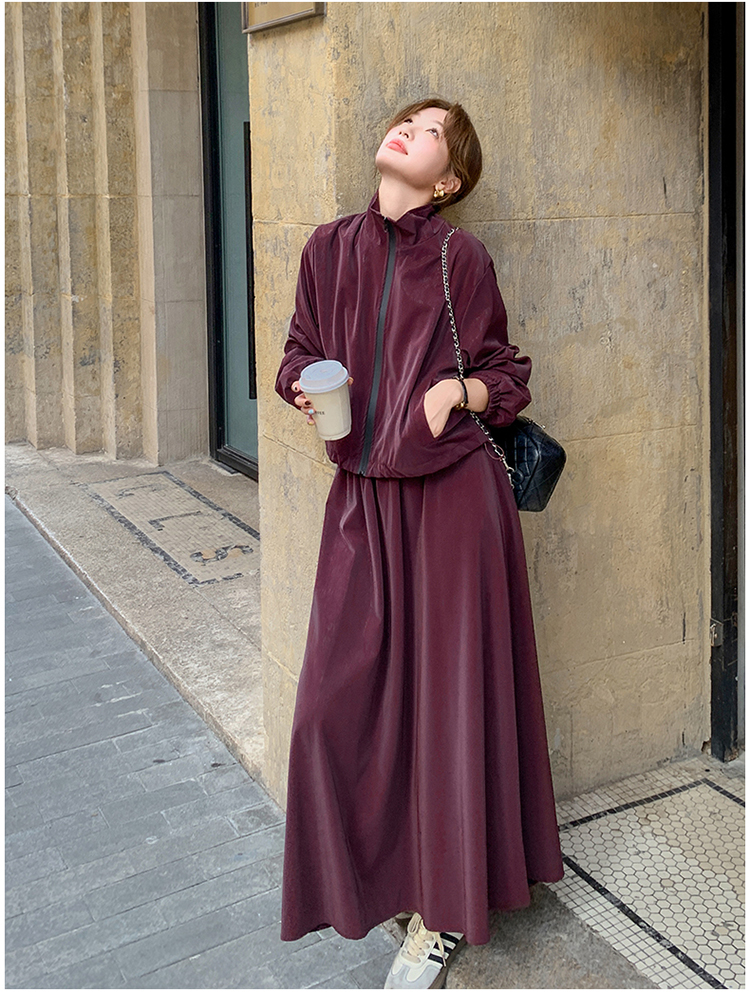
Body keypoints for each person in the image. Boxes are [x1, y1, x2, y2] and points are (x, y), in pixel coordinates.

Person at [274, 98, 564, 990]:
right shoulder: (328, 247)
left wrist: (454, 395)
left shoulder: (457, 257)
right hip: (362, 504)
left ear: (448, 181)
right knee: (331, 712)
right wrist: (301, 384)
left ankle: (440, 917)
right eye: (410, 119)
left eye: (432, 131)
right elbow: (296, 349)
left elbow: (505, 373)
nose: (409, 129)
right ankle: (384, 884)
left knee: (447, 719)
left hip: (451, 508)